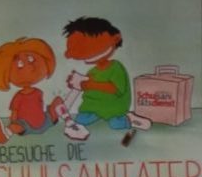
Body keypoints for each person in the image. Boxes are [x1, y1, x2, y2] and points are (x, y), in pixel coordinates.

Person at [56, 16, 153, 148]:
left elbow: (114, 89)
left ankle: (130, 119)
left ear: (115, 39)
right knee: (80, 120)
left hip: (113, 106)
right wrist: (77, 84)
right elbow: (87, 87)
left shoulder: (116, 67)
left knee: (115, 124)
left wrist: (90, 85)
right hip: (93, 107)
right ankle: (95, 114)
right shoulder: (92, 71)